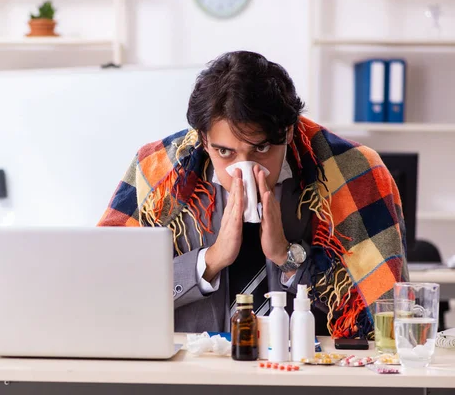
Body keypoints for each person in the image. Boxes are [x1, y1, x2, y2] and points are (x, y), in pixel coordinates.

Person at [98, 51, 409, 339]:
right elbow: (107, 289)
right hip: (189, 376)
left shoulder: (354, 171)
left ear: (287, 132)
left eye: (261, 148)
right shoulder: (157, 172)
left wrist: (288, 257)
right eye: (225, 152)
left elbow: (387, 318)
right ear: (203, 139)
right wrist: (209, 261)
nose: (243, 169)